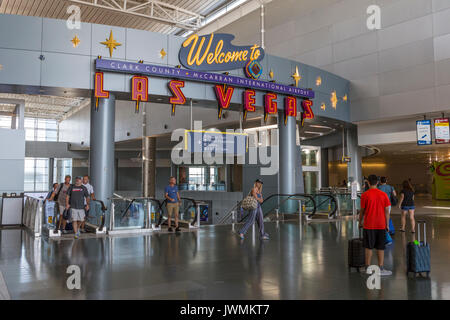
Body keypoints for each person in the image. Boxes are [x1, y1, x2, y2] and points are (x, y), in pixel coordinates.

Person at [359, 174, 392, 276]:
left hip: (368, 225)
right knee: (380, 247)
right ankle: (380, 268)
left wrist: (360, 221)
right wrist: (387, 225)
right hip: (381, 224)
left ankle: (367, 268)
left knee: (368, 247)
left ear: (368, 182)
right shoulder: (383, 195)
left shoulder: (365, 195)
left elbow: (362, 211)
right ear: (377, 182)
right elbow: (387, 211)